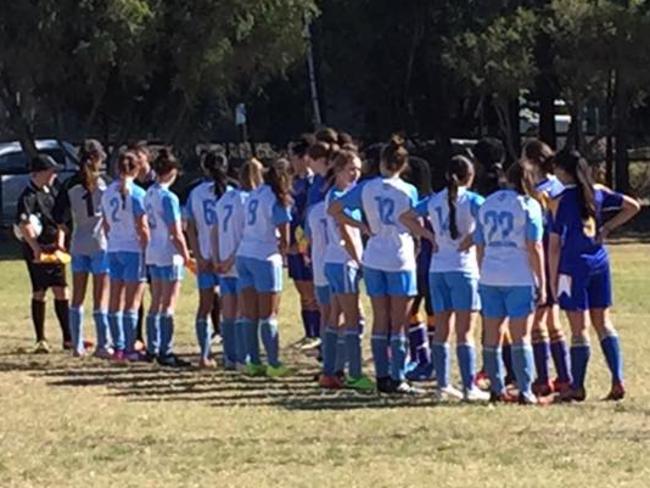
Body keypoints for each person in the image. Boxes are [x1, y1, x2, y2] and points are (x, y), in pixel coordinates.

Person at [329, 135, 421, 395]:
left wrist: (363, 226)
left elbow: (335, 210)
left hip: (374, 257)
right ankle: (398, 376)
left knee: (380, 318)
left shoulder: (366, 188)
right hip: (399, 257)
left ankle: (382, 375)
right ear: (402, 166)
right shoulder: (408, 190)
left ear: (381, 162)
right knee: (399, 321)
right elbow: (416, 221)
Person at [549, 149, 640, 402]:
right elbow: (632, 206)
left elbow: (555, 244)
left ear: (563, 171)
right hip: (599, 261)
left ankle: (577, 386)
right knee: (604, 323)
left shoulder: (559, 199)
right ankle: (617, 379)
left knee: (579, 329)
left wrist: (551, 279)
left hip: (573, 265)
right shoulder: (598, 191)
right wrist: (608, 227)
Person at [401, 155, 490, 402]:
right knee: (465, 332)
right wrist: (471, 238)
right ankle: (469, 386)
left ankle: (443, 384)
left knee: (442, 329)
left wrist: (428, 236)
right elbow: (488, 220)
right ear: (469, 177)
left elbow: (405, 217)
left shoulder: (433, 200)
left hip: (437, 269)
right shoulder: (473, 200)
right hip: (463, 269)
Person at [475, 163, 547, 404]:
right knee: (521, 337)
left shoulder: (488, 203)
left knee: (491, 335)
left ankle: (496, 388)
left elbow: (480, 243)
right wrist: (542, 282)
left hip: (490, 274)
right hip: (519, 275)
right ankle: (525, 390)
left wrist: (483, 269)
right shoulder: (529, 205)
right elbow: (534, 245)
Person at [319, 149, 374, 392]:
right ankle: (353, 372)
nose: (356, 174)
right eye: (351, 169)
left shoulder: (341, 195)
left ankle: (330, 370)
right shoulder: (338, 196)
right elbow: (344, 232)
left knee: (336, 317)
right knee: (354, 319)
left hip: (336, 261)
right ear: (339, 170)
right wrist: (359, 260)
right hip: (343, 261)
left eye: (359, 170)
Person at [521, 139, 571, 395]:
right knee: (552, 319)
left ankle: (543, 378)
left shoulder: (540, 190)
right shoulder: (560, 186)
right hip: (560, 257)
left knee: (539, 320)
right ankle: (563, 376)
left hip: (544, 255)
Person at [235, 162, 293, 378]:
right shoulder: (277, 199)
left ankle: (252, 361)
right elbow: (284, 238)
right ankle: (274, 362)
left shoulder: (254, 194)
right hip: (265, 256)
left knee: (249, 314)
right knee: (269, 314)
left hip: (244, 253)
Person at [56, 140, 111, 358]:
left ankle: (77, 344)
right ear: (97, 158)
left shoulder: (70, 184)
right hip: (100, 243)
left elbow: (58, 216)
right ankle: (102, 344)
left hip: (79, 243)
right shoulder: (105, 183)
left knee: (77, 296)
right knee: (100, 297)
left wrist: (67, 230)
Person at [16, 154, 72, 353]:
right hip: (37, 250)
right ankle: (41, 338)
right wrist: (36, 249)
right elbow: (23, 225)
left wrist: (60, 243)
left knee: (62, 289)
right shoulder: (28, 196)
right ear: (38, 173)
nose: (53, 175)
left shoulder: (52, 192)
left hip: (54, 247)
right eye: (50, 172)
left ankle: (68, 338)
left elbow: (60, 221)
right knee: (40, 291)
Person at [213, 158, 264, 370]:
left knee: (228, 311)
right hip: (239, 260)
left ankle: (229, 357)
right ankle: (243, 357)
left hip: (223, 260)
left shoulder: (225, 198)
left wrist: (217, 258)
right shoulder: (249, 200)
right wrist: (230, 259)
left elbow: (214, 230)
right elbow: (246, 234)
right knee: (244, 311)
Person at [144, 148, 192, 368]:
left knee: (156, 301)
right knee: (168, 303)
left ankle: (152, 347)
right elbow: (175, 232)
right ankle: (166, 350)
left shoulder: (150, 193)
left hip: (153, 250)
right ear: (171, 171)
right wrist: (186, 255)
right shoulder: (168, 197)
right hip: (168, 252)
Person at [101, 151, 149, 363]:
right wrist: (147, 249)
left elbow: (105, 224)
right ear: (136, 169)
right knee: (132, 302)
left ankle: (117, 347)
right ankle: (130, 347)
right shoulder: (138, 194)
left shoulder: (107, 192)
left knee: (114, 299)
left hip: (113, 248)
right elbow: (143, 227)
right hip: (133, 249)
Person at [185, 152, 230, 368]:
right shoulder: (231, 192)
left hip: (205, 255)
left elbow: (190, 227)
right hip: (227, 258)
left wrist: (198, 254)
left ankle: (204, 354)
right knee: (232, 306)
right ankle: (232, 354)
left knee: (204, 306)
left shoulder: (196, 193)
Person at [402, 155, 435, 381]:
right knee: (415, 311)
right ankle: (422, 358)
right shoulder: (432, 200)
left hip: (423, 264)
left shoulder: (419, 203)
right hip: (428, 265)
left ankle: (427, 360)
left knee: (418, 311)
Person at [288, 135, 321, 351]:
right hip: (292, 241)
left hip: (305, 243)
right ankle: (308, 332)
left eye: (293, 156)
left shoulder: (312, 183)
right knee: (302, 292)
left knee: (312, 293)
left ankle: (317, 334)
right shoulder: (294, 182)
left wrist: (302, 243)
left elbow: (307, 216)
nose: (291, 161)